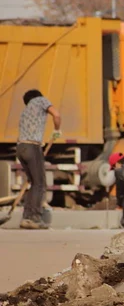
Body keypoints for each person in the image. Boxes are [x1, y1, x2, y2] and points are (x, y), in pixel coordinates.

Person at [16, 89, 61, 229]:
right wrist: (56, 130)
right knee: (40, 184)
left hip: (21, 147)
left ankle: (26, 217)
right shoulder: (40, 100)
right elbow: (56, 114)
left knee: (33, 183)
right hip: (32, 146)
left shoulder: (24, 111)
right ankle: (33, 218)